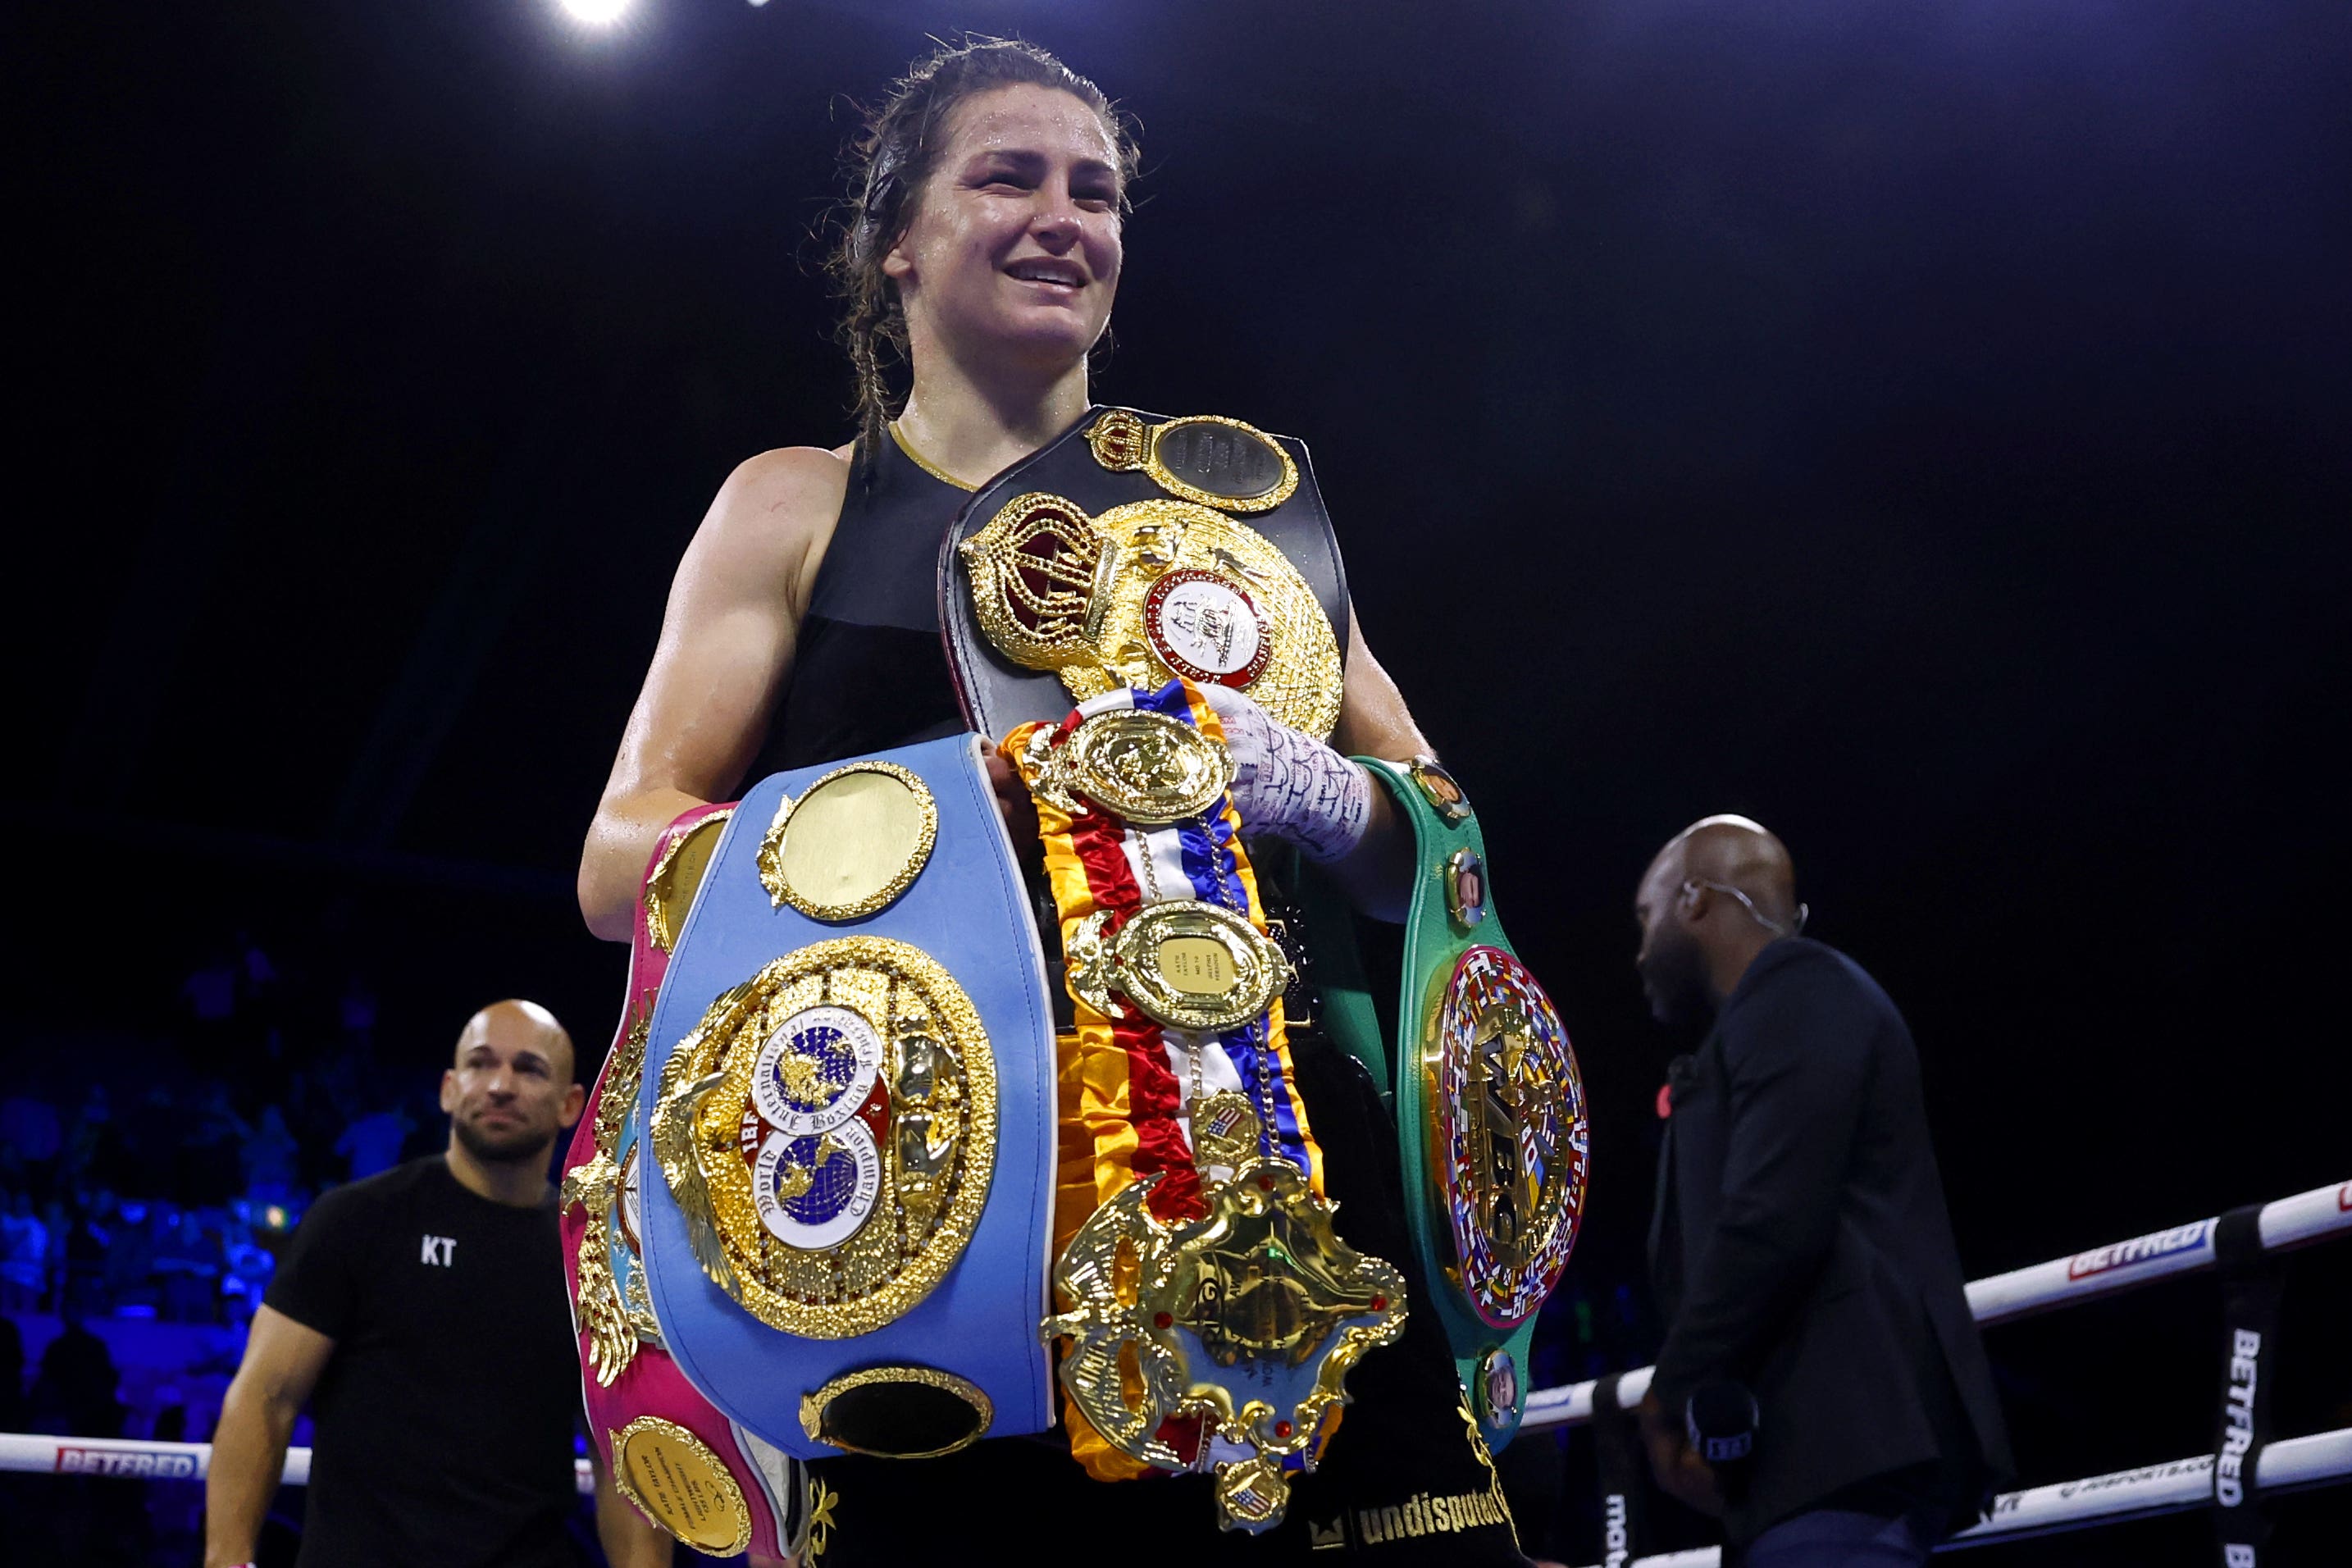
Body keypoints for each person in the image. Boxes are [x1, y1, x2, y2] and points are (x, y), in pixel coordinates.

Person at [580, 36, 1525, 1566]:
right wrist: (970, 817)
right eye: (1005, 175)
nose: (1060, 216)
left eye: (1095, 190)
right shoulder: (797, 503)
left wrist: (1310, 790)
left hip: (1270, 1182)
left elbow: (1437, 827)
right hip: (933, 1204)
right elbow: (624, 855)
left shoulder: (1234, 536)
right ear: (895, 239)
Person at [1630, 816, 2012, 1566]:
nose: (1639, 950)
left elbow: (1773, 1216)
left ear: (1695, 902)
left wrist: (1668, 1393)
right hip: (1803, 1468)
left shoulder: (1799, 990)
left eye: (1646, 917)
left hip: (1844, 1454)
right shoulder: (1771, 1016)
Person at [203, 1001, 670, 1568]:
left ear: (572, 1103)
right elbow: (265, 1396)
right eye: (481, 1064)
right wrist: (228, 1559)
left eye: (529, 1068)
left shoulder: (595, 1260)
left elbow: (620, 1454)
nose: (501, 1085)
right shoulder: (357, 1221)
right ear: (450, 1088)